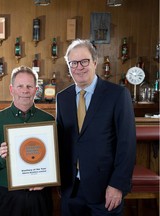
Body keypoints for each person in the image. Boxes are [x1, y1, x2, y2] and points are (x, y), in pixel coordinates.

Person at [56, 38, 136, 216]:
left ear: (95, 62)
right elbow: (60, 142)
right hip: (71, 189)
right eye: (73, 63)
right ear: (69, 66)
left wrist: (117, 185)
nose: (79, 67)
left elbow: (127, 144)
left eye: (84, 61)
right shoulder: (62, 98)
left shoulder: (117, 95)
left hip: (105, 190)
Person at [0, 66, 55, 216]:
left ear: (36, 90)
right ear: (12, 89)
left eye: (29, 86)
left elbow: (56, 158)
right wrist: (0, 157)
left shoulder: (48, 121)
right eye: (20, 86)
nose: (25, 91)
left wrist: (47, 179)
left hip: (40, 194)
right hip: (7, 195)